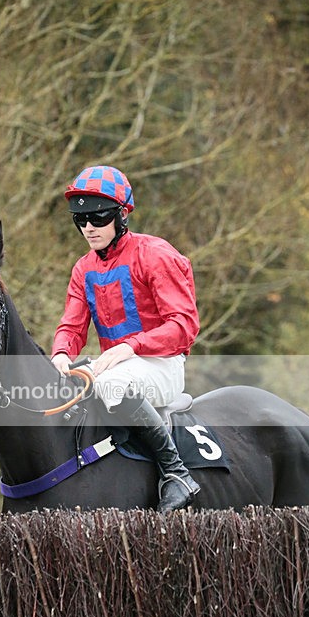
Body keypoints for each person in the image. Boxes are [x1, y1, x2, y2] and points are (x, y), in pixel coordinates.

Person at [51, 165, 201, 512]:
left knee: (109, 384)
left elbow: (184, 326)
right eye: (80, 219)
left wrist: (130, 346)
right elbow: (72, 328)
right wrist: (60, 353)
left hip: (162, 364)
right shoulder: (83, 268)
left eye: (97, 217)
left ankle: (176, 474)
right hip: (116, 367)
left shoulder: (156, 254)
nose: (88, 227)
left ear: (122, 215)